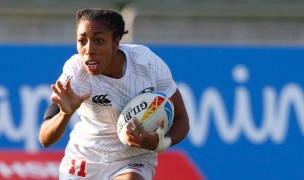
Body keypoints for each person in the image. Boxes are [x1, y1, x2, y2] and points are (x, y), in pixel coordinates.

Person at [39, 8, 189, 180]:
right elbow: (45, 139)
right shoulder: (75, 72)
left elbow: (181, 119)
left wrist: (160, 142)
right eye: (82, 41)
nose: (89, 50)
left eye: (99, 40)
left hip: (133, 159)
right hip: (84, 159)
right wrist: (65, 114)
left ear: (116, 43)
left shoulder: (146, 63)